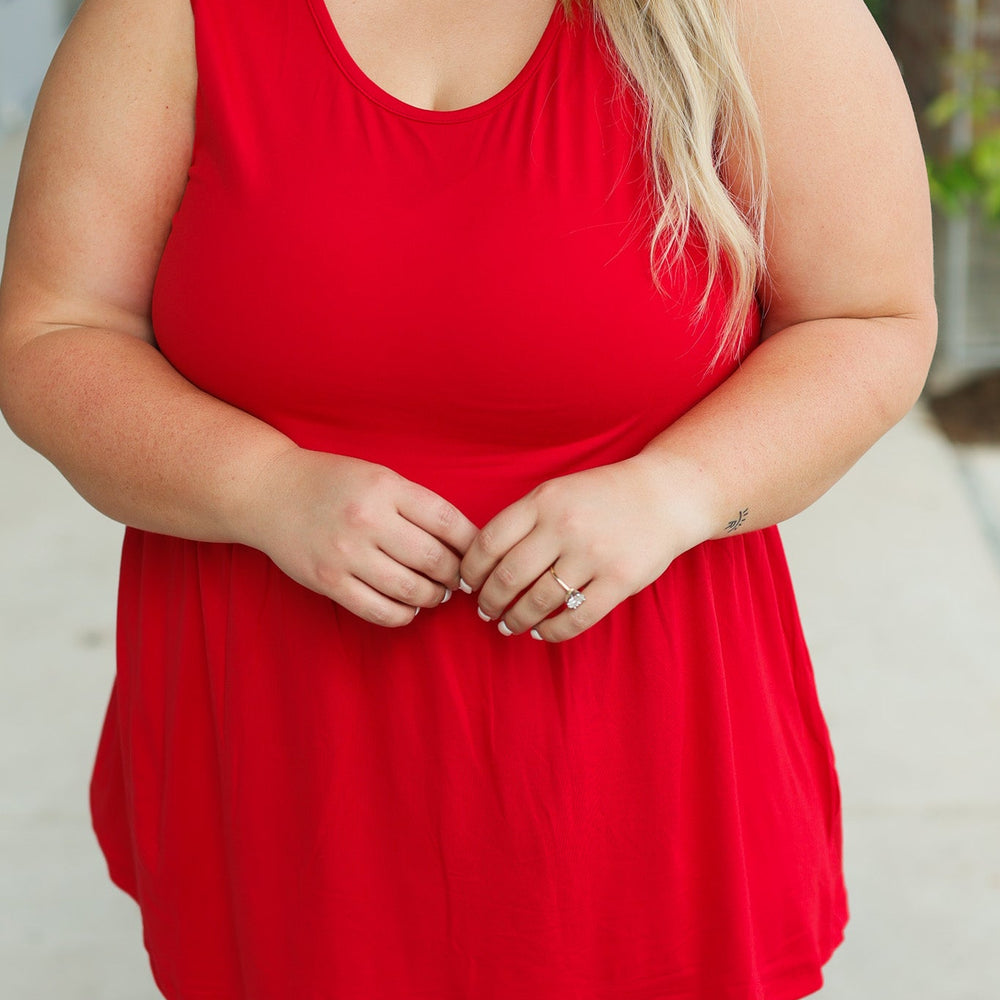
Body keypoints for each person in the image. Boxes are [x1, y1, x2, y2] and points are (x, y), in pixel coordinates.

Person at [0, 0, 935, 996]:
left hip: (637, 778)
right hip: (288, 764)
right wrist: (254, 483)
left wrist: (678, 491)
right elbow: (56, 332)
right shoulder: (169, 15)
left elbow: (867, 317)